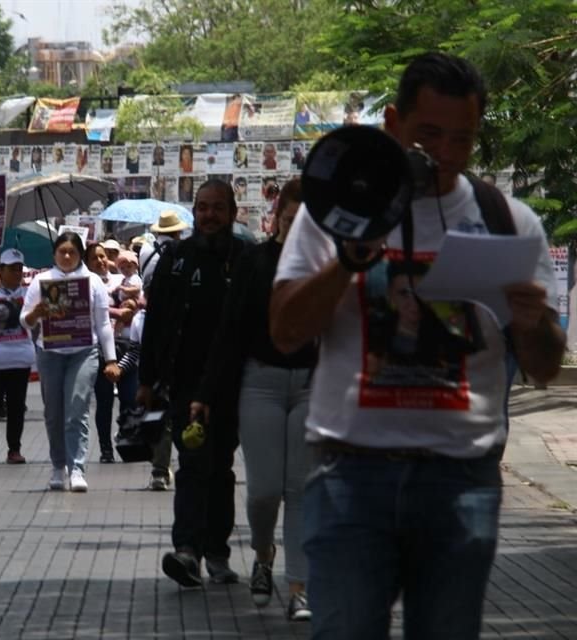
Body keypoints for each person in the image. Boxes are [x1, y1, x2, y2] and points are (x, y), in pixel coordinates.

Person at [270, 53, 564, 639]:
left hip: (461, 481)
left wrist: (532, 322)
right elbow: (284, 331)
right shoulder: (340, 209)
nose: (445, 153)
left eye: (463, 139)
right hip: (351, 475)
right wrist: (351, 261)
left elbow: (543, 369)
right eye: (429, 134)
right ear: (393, 123)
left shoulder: (509, 221)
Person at [194, 178, 314, 621]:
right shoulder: (254, 262)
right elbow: (229, 331)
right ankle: (264, 555)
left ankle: (299, 588)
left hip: (311, 384)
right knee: (264, 491)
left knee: (300, 489)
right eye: (289, 220)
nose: (297, 229)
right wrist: (206, 392)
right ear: (276, 218)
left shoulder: (327, 264)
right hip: (260, 382)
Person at [138, 179, 246, 588]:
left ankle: (217, 552)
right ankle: (187, 551)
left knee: (220, 469)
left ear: (232, 213)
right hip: (185, 383)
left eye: (218, 208)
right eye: (202, 208)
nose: (209, 215)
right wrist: (147, 378)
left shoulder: (243, 258)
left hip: (234, 384)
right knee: (193, 464)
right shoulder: (177, 259)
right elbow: (157, 321)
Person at [20, 232, 120, 492]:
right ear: (54, 253)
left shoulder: (93, 282)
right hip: (50, 353)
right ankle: (57, 466)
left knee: (77, 409)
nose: (66, 256)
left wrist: (111, 359)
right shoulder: (41, 281)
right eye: (61, 251)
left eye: (72, 252)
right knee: (54, 413)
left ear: (79, 255)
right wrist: (36, 313)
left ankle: (76, 467)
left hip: (83, 352)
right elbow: (24, 320)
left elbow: (103, 323)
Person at [0, 249, 34, 464]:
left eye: (20, 269)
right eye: (12, 269)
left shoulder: (29, 293)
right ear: (0, 270)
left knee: (16, 406)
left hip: (20, 359)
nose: (17, 273)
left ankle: (14, 448)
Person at [85, 242, 127, 464]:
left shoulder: (122, 281)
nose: (100, 261)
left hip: (127, 347)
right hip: (101, 350)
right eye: (94, 258)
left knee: (129, 399)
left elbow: (135, 305)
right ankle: (106, 449)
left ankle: (126, 437)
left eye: (102, 257)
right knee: (105, 402)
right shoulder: (84, 285)